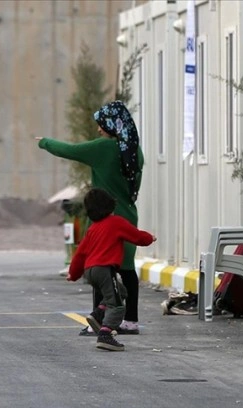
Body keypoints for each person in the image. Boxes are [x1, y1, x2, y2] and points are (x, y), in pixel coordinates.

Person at [36, 100, 145, 335]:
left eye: (101, 124)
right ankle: (131, 320)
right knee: (127, 269)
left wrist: (44, 142)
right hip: (127, 216)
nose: (98, 129)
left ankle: (99, 319)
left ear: (111, 125)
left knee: (101, 267)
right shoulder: (135, 151)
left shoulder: (103, 148)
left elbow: (69, 150)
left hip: (105, 219)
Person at [66, 188, 156, 351]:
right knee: (117, 305)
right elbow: (136, 236)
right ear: (110, 207)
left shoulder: (93, 229)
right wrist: (150, 238)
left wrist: (73, 274)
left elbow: (80, 254)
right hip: (104, 270)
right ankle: (105, 334)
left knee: (121, 292)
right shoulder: (116, 223)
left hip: (90, 271)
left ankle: (98, 314)